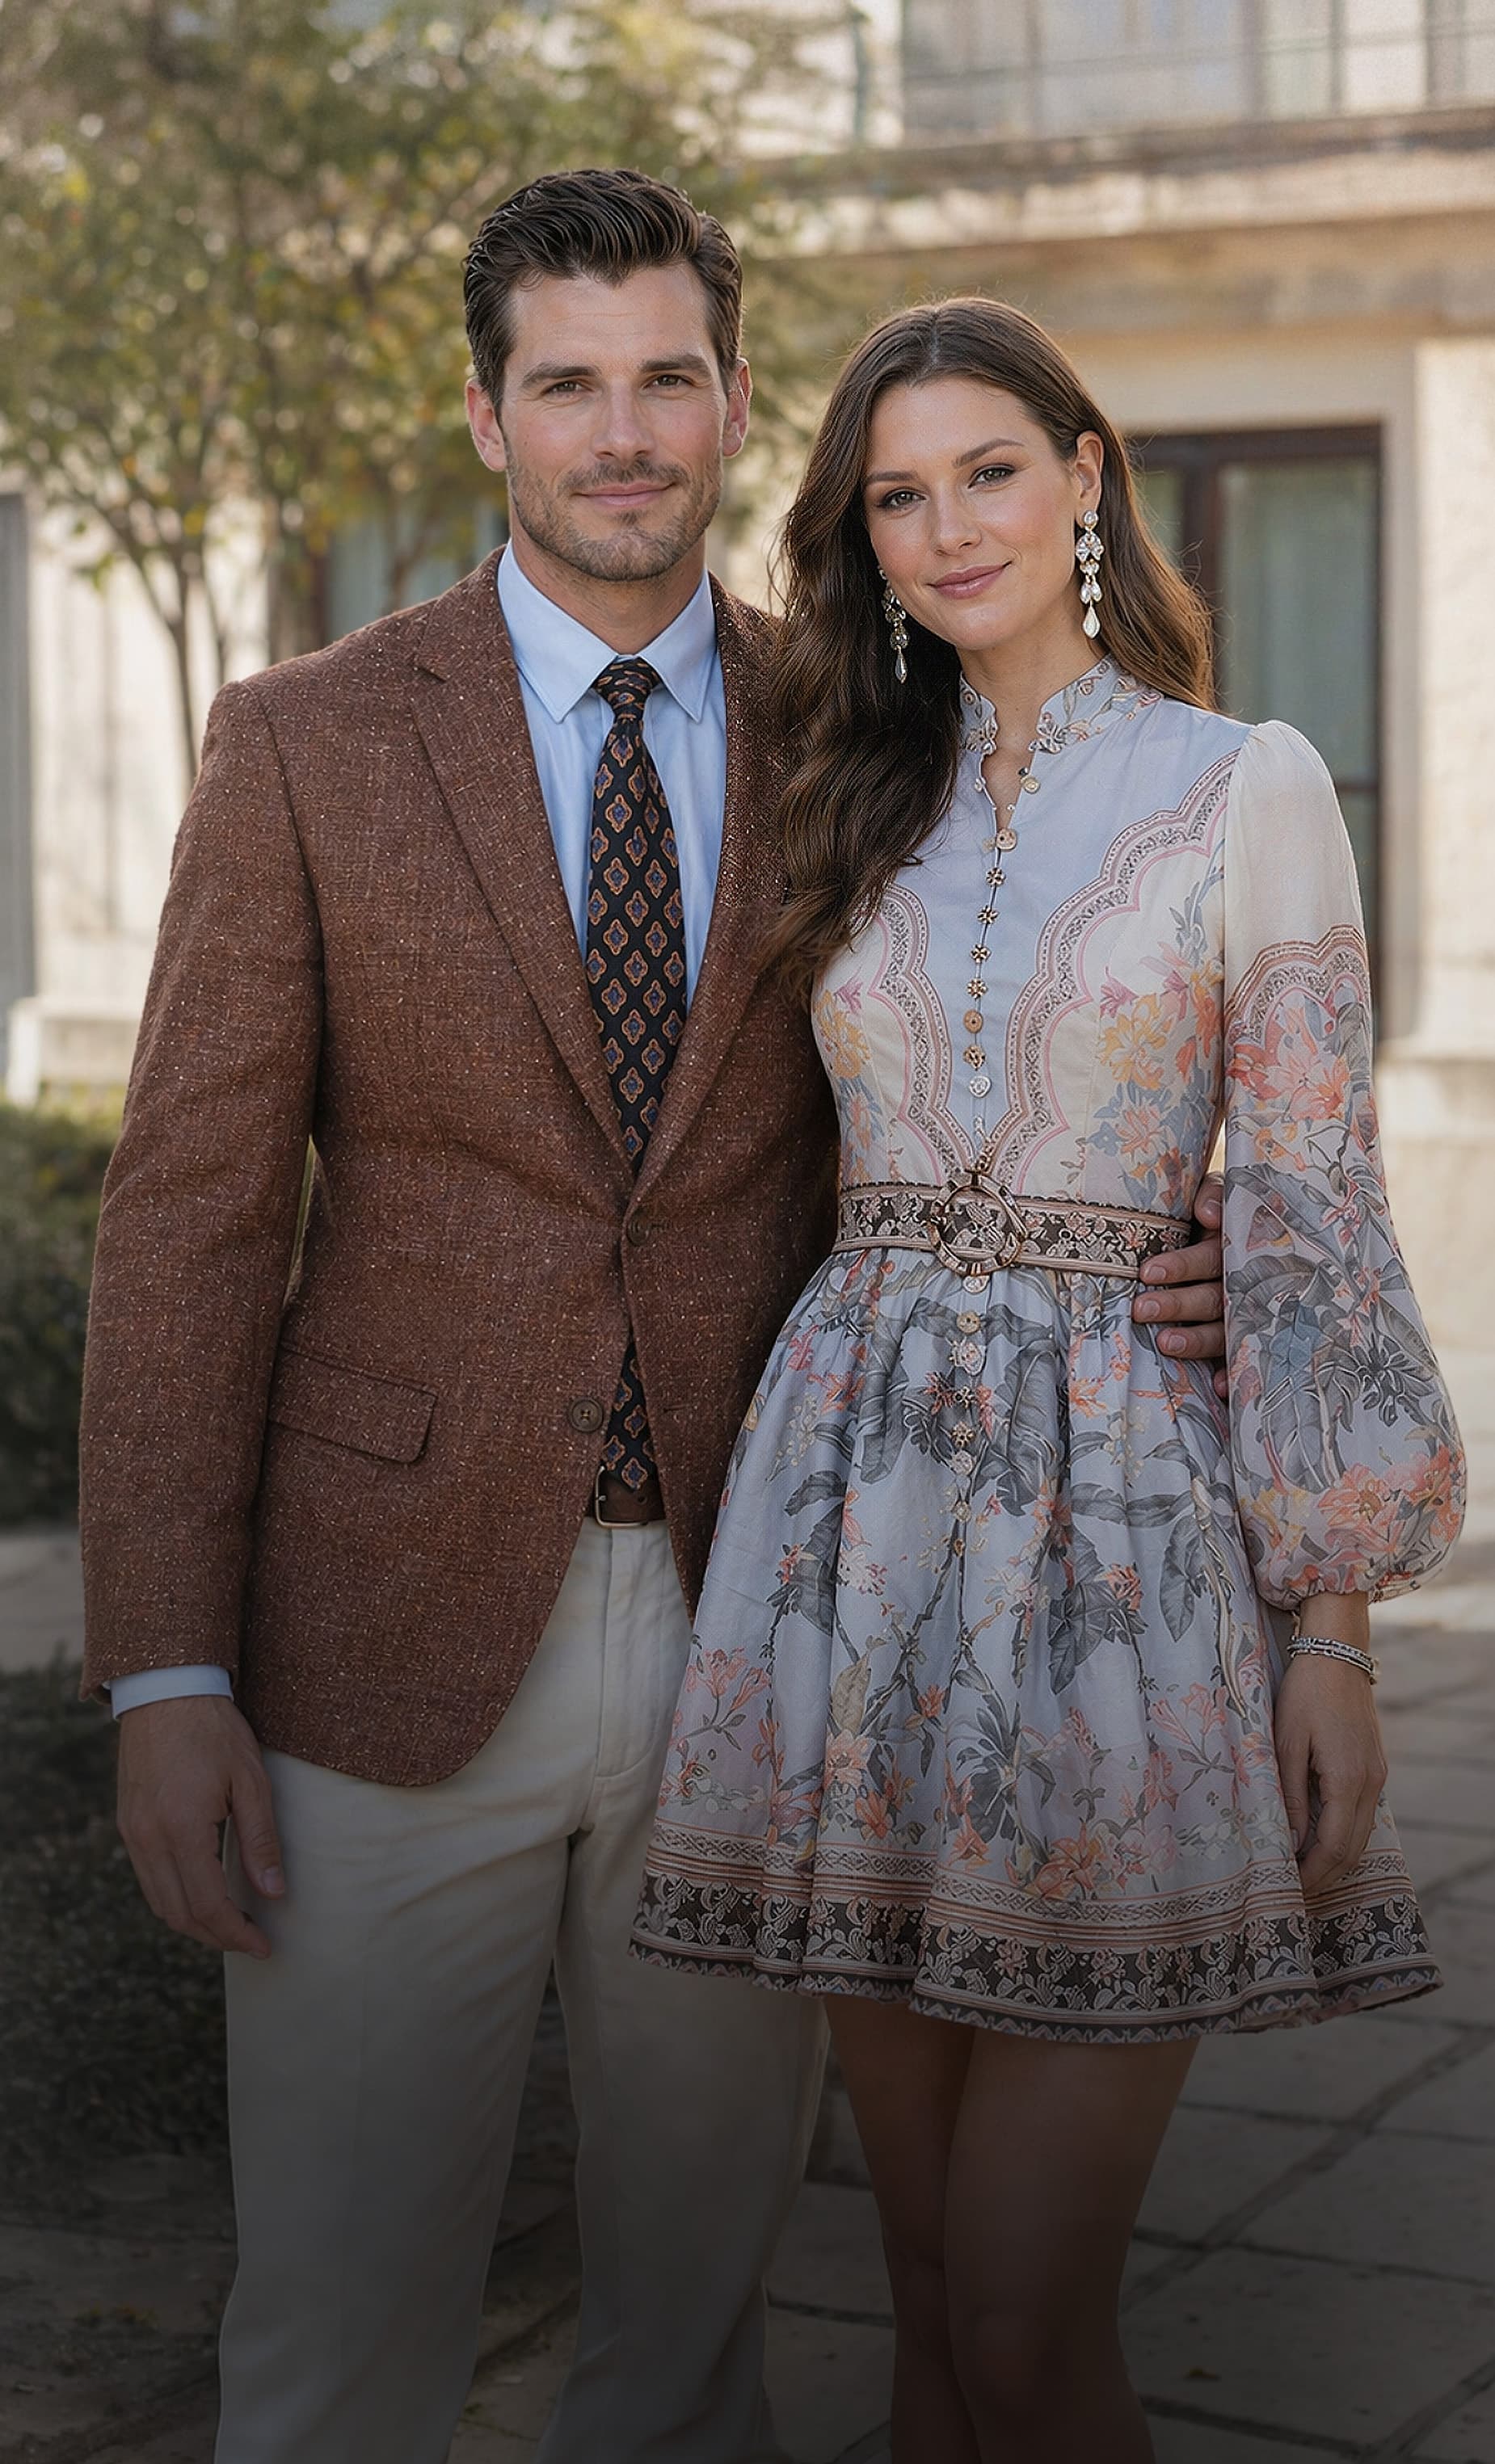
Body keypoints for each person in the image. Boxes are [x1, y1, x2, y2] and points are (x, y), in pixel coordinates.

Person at [79, 179, 1230, 2464]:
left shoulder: (873, 731)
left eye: (667, 379)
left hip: (768, 1622)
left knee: (699, 2329)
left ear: (730, 400)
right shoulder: (308, 738)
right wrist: (166, 1671)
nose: (622, 432)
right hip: (378, 1636)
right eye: (569, 383)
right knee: (338, 2325)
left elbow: (1024, 1039)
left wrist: (1172, 1230)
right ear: (486, 413)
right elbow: (188, 1221)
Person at [634, 296, 1465, 2464]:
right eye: (897, 498)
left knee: (1020, 2318)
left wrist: (1335, 1630)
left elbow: (1313, 1202)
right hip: (855, 1534)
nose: (948, 529)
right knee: (918, 2302)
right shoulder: (837, 791)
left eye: (988, 471)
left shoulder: (1242, 783)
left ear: (1084, 474)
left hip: (1122, 1551)